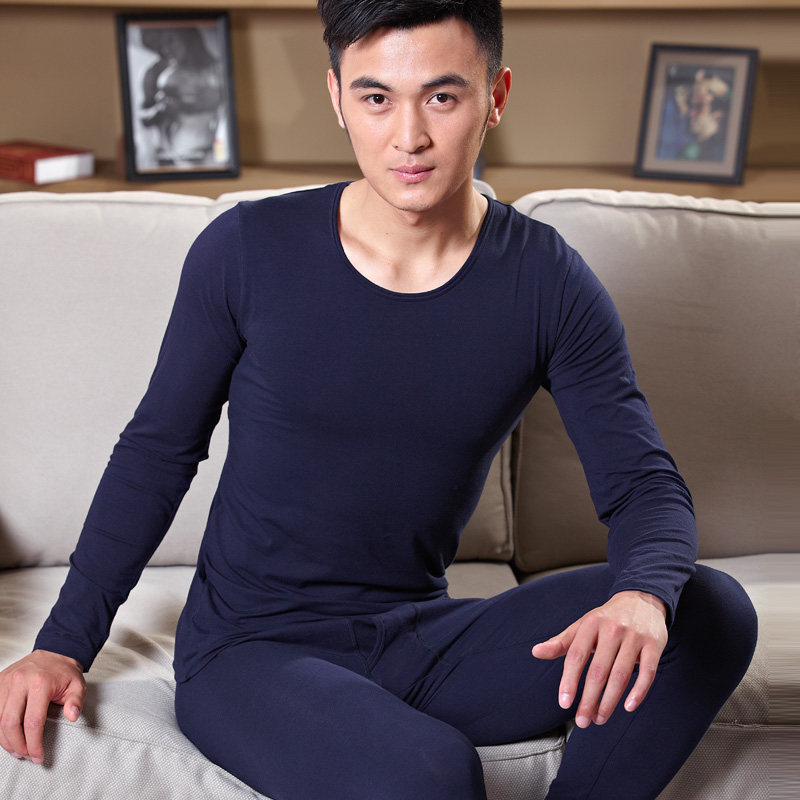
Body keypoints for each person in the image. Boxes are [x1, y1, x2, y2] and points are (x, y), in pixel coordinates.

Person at [0, 2, 757, 798]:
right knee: (430, 774)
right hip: (252, 651)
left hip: (423, 641)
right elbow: (158, 453)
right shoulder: (248, 250)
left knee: (705, 609)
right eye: (376, 98)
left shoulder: (547, 282)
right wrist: (62, 644)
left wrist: (641, 595)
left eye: (442, 96)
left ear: (495, 97)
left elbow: (643, 485)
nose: (408, 137)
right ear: (337, 98)